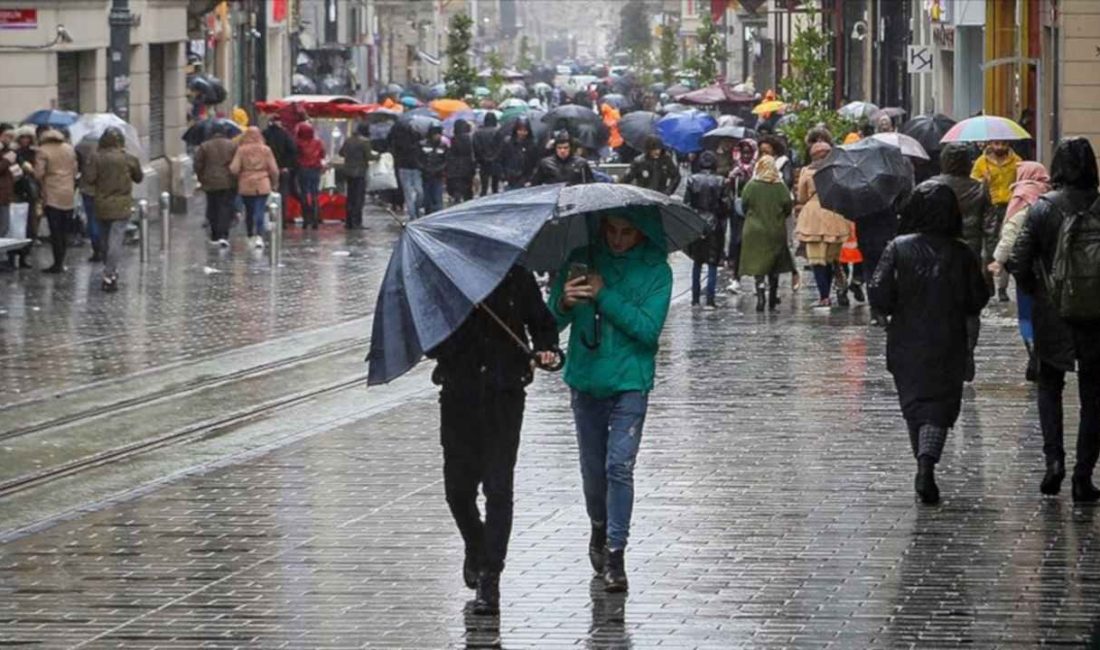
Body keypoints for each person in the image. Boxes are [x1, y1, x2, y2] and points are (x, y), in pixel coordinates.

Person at [548, 209, 673, 594]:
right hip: (586, 379)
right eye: (612, 231)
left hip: (630, 381)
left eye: (627, 232)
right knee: (593, 470)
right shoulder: (582, 260)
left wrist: (605, 294)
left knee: (619, 465)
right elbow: (549, 323)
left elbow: (648, 331)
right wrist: (564, 303)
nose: (618, 240)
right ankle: (598, 526)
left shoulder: (656, 271)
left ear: (641, 233)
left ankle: (616, 552)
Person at [425, 266, 560, 616]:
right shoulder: (449, 279)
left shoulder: (517, 276)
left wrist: (546, 351)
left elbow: (542, 324)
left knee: (498, 487)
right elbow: (430, 341)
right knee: (458, 490)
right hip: (459, 395)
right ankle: (476, 542)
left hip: (505, 393)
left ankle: (490, 575)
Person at [869, 181, 989, 504]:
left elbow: (879, 291)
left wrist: (893, 304)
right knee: (939, 406)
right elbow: (978, 297)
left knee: (914, 405)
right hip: (948, 339)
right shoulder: (962, 252)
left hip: (906, 339)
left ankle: (923, 462)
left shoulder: (898, 247)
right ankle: (926, 463)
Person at [1010, 137, 1100, 501]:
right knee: (1094, 395)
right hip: (1096, 315)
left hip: (1053, 313)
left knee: (1050, 386)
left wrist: (1036, 289)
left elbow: (1017, 259)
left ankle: (1054, 462)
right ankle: (1083, 475)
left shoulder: (1043, 207)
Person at [990, 161, 1050, 382]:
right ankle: (1043, 351)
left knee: (1026, 313)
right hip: (1049, 267)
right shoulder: (1048, 195)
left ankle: (1033, 352)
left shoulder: (1022, 195)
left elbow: (1011, 231)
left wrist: (998, 259)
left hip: (1026, 266)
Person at [84, 127, 143, 292]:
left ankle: (110, 269)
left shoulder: (96, 158)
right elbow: (139, 177)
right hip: (122, 204)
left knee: (104, 240)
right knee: (115, 240)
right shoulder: (128, 158)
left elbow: (89, 179)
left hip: (101, 203)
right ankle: (109, 274)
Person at [795, 142, 852, 308]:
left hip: (813, 217)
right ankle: (837, 290)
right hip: (834, 214)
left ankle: (824, 296)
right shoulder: (839, 170)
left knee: (817, 260)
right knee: (831, 259)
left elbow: (802, 196)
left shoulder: (807, 171)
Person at [740, 156, 795, 312]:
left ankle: (760, 289)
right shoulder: (781, 187)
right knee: (774, 263)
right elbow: (787, 207)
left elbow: (744, 204)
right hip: (775, 229)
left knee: (758, 263)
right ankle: (772, 295)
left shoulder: (751, 186)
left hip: (754, 230)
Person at [971, 139, 1022, 301]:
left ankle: (1002, 288)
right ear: (991, 144)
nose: (1000, 147)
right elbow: (973, 184)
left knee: (1006, 248)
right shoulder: (981, 162)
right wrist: (983, 181)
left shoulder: (1017, 162)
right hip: (990, 208)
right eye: (997, 144)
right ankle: (989, 286)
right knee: (989, 250)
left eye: (1004, 144)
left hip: (1010, 206)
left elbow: (1021, 182)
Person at [684, 151, 729, 307]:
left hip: (697, 222)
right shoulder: (721, 181)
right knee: (712, 262)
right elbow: (725, 206)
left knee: (697, 262)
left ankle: (695, 299)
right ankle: (710, 299)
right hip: (714, 224)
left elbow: (687, 204)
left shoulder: (692, 180)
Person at [33, 128, 78, 272]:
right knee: (64, 230)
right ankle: (61, 260)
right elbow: (75, 170)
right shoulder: (69, 149)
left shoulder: (42, 150)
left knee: (55, 230)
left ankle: (57, 262)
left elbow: (39, 173)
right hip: (68, 192)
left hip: (52, 193)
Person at [229, 126, 278, 248]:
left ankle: (250, 233)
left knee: (249, 211)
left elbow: (233, 169)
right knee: (260, 209)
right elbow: (274, 170)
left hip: (246, 184)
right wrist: (275, 183)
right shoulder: (266, 150)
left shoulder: (241, 150)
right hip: (263, 183)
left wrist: (240, 175)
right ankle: (259, 236)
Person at [194, 124, 238, 245]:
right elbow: (236, 163)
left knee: (212, 206)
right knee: (225, 207)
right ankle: (224, 233)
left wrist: (201, 177)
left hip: (210, 181)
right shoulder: (232, 145)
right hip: (228, 181)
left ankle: (214, 234)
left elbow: (198, 164)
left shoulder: (204, 146)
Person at [725, 139, 757, 294]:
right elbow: (728, 191)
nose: (745, 156)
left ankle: (759, 279)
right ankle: (736, 276)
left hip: (754, 211)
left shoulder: (757, 171)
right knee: (737, 242)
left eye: (748, 152)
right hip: (737, 213)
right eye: (743, 152)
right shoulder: (735, 171)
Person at [339, 122, 376, 230]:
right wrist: (378, 156)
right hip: (359, 173)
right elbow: (369, 157)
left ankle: (349, 221)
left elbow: (341, 153)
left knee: (350, 197)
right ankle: (357, 222)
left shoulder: (348, 140)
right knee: (358, 199)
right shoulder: (365, 143)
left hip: (348, 172)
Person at [262, 114, 298, 220]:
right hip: (282, 168)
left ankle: (268, 218)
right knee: (282, 193)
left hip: (266, 169)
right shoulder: (285, 134)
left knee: (267, 193)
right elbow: (293, 150)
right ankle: (281, 219)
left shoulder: (264, 134)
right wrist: (287, 165)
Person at [390, 121, 424, 220]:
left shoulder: (415, 137)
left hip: (410, 167)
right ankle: (413, 215)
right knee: (414, 192)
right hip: (407, 168)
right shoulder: (404, 140)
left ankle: (414, 213)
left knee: (415, 193)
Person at [295, 122, 325, 229]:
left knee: (304, 193)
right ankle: (315, 219)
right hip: (315, 169)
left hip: (303, 169)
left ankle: (306, 219)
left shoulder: (298, 143)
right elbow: (322, 154)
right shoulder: (318, 142)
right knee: (314, 193)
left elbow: (296, 156)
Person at [500, 117, 540, 189]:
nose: (522, 133)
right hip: (510, 179)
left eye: (525, 131)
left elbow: (536, 163)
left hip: (525, 180)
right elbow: (502, 160)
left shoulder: (532, 144)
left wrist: (530, 179)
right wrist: (504, 178)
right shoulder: (508, 143)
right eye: (520, 130)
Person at [445, 119, 476, 204]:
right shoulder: (469, 139)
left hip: (454, 167)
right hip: (467, 166)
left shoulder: (452, 139)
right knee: (468, 187)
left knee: (457, 187)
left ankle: (457, 200)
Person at [472, 112, 503, 196]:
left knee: (484, 186)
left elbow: (476, 148)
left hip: (483, 163)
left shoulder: (477, 133)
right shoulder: (498, 132)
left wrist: (482, 158)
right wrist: (494, 157)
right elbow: (500, 147)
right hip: (496, 162)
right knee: (495, 186)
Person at [420, 124, 448, 215]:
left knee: (437, 198)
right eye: (436, 134)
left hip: (438, 175)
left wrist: (439, 169)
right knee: (427, 198)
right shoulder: (422, 145)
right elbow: (418, 159)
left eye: (439, 134)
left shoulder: (443, 146)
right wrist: (425, 168)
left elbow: (446, 160)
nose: (438, 136)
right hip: (425, 175)